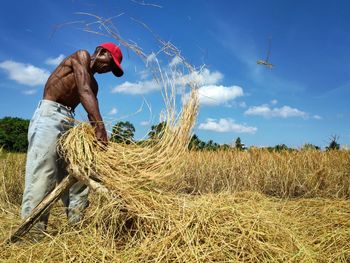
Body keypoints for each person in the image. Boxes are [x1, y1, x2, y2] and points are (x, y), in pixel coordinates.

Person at [21, 42, 124, 230]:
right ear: (101, 52)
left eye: (112, 69)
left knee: (79, 172)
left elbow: (90, 97)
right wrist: (99, 129)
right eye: (110, 64)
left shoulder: (95, 84)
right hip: (50, 115)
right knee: (44, 173)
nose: (108, 69)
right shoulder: (81, 56)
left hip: (70, 122)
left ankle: (76, 226)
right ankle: (32, 231)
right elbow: (83, 89)